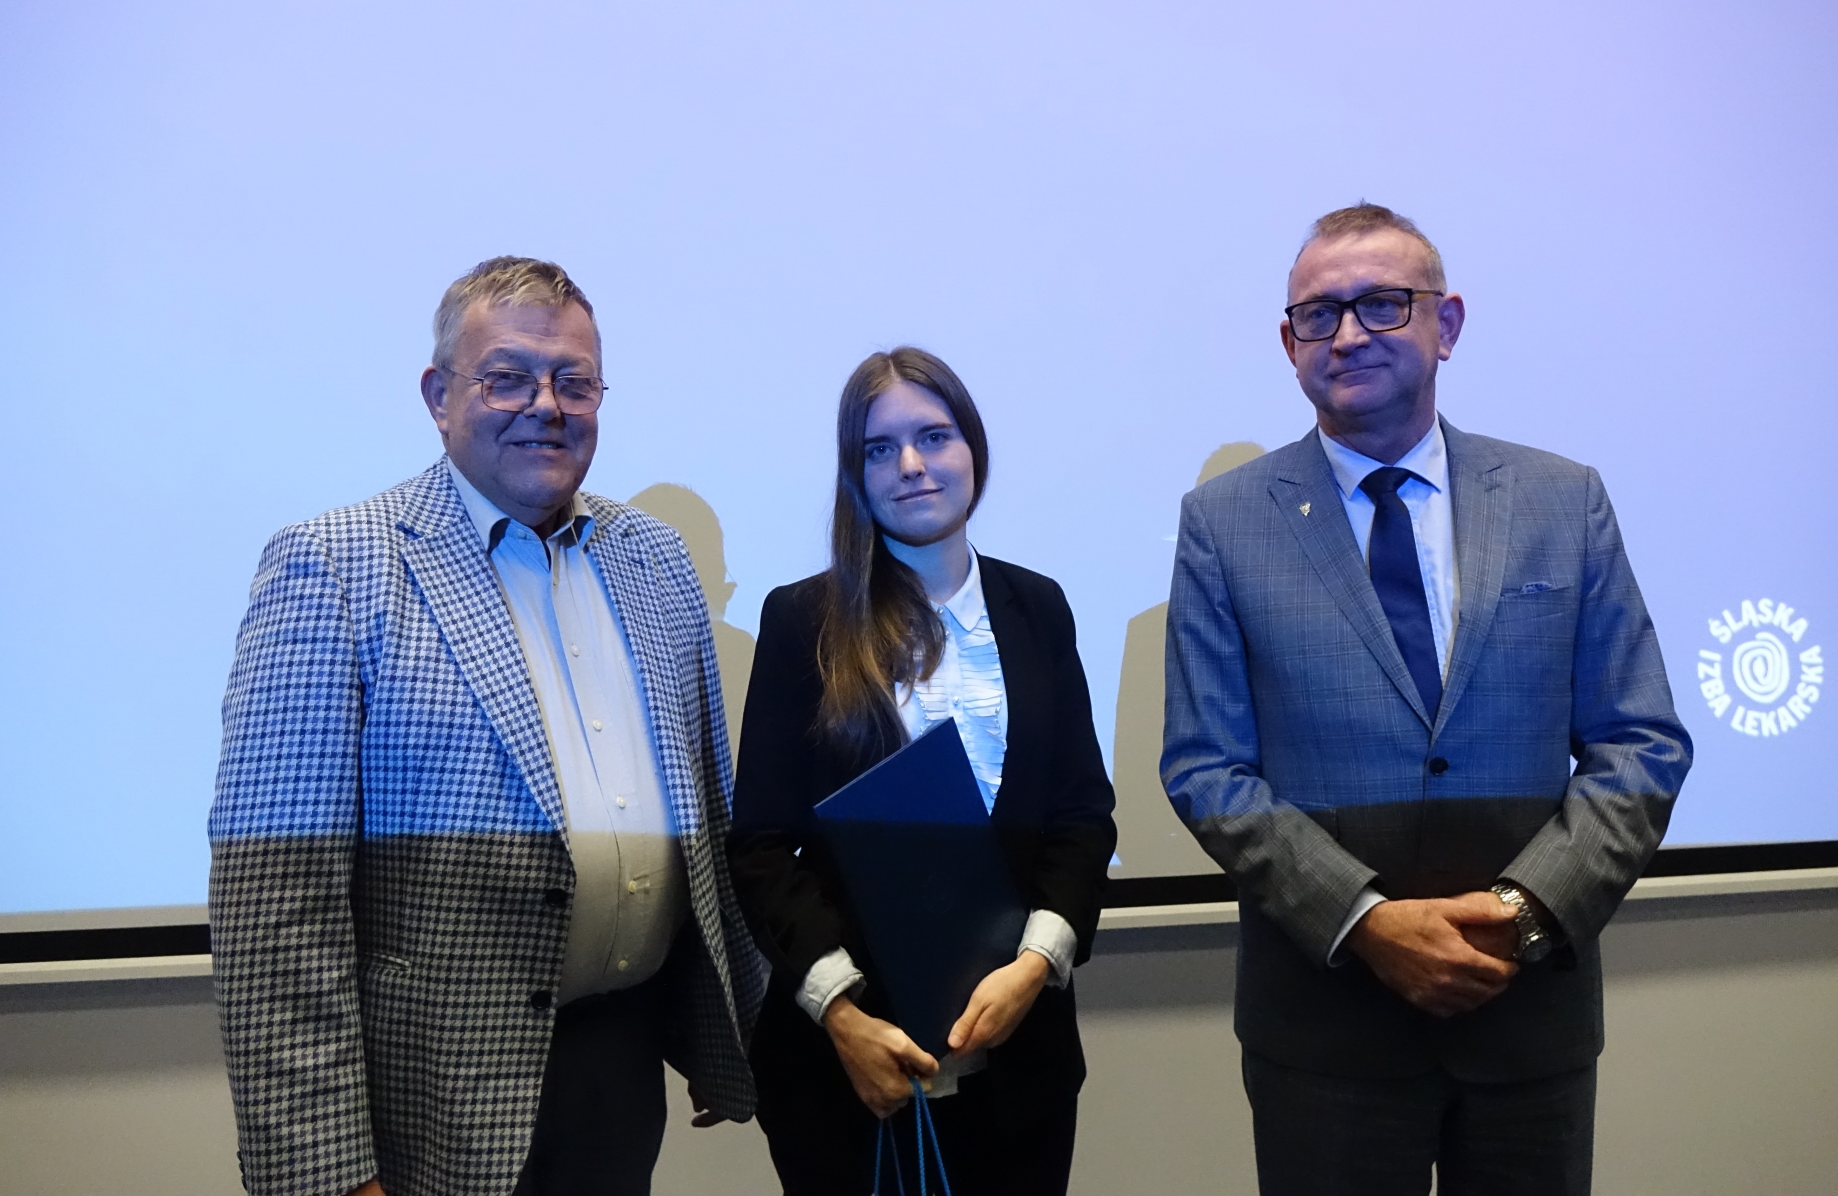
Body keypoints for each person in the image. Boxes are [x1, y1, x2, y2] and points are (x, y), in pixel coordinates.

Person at [1161, 205, 1691, 1195]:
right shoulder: (1223, 523)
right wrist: (1367, 921)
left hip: (1526, 1009)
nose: (1348, 334)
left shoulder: (1562, 499)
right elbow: (1206, 767)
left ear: (1445, 324)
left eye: (1382, 304)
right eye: (1319, 314)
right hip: (1325, 1027)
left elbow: (1641, 742)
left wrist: (1523, 911)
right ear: (1289, 343)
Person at [208, 257, 766, 1196]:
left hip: (620, 1063)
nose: (546, 405)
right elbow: (275, 899)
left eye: (574, 382)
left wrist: (722, 1023)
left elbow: (704, 811)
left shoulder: (655, 561)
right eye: (507, 376)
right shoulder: (334, 568)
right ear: (440, 396)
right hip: (428, 1103)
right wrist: (326, 1172)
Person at [729, 347, 1117, 1196]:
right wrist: (841, 1012)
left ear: (973, 447)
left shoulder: (1038, 606)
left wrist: (1034, 966)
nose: (910, 464)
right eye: (880, 448)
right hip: (847, 1070)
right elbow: (760, 845)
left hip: (1021, 1064)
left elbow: (1082, 817)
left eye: (933, 436)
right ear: (855, 473)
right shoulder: (803, 620)